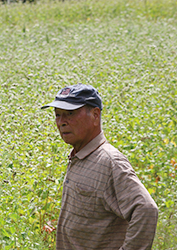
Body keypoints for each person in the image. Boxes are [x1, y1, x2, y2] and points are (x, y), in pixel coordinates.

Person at [41, 84, 158, 250]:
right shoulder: (80, 156)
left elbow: (146, 210)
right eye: (58, 115)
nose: (61, 122)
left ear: (95, 115)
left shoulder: (110, 162)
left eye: (70, 114)